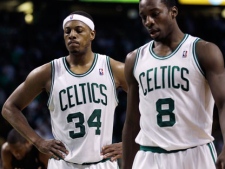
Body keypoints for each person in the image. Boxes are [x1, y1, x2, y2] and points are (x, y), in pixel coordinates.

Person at [1, 10, 127, 169]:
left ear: (92, 34)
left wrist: (131, 142)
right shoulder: (48, 72)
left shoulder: (113, 68)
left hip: (101, 163)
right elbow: (9, 108)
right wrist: (38, 141)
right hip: (64, 164)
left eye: (79, 30)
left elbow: (151, 99)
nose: (72, 35)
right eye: (67, 31)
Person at [122, 0, 225, 169]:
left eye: (155, 14)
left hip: (195, 153)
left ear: (173, 12)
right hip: (149, 156)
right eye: (143, 17)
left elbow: (223, 103)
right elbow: (132, 121)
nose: (148, 22)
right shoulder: (134, 59)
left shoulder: (203, 51)